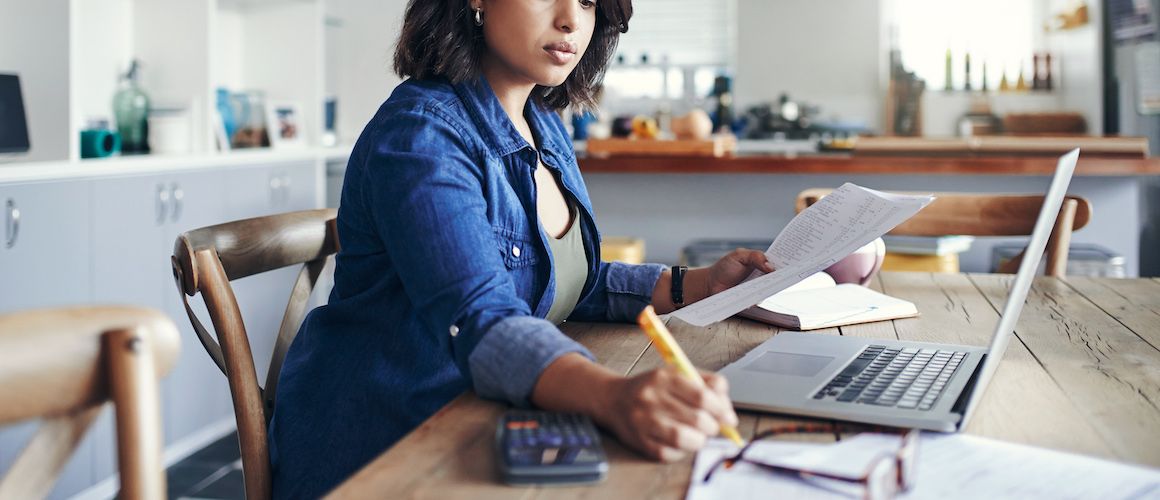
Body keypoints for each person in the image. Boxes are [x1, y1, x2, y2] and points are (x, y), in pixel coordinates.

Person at [267, 0, 774, 497]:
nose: (572, 19)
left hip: (482, 420)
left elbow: (562, 278)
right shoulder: (421, 135)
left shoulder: (544, 123)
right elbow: (482, 317)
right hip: (388, 446)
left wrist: (696, 284)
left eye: (590, 2)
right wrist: (614, 396)